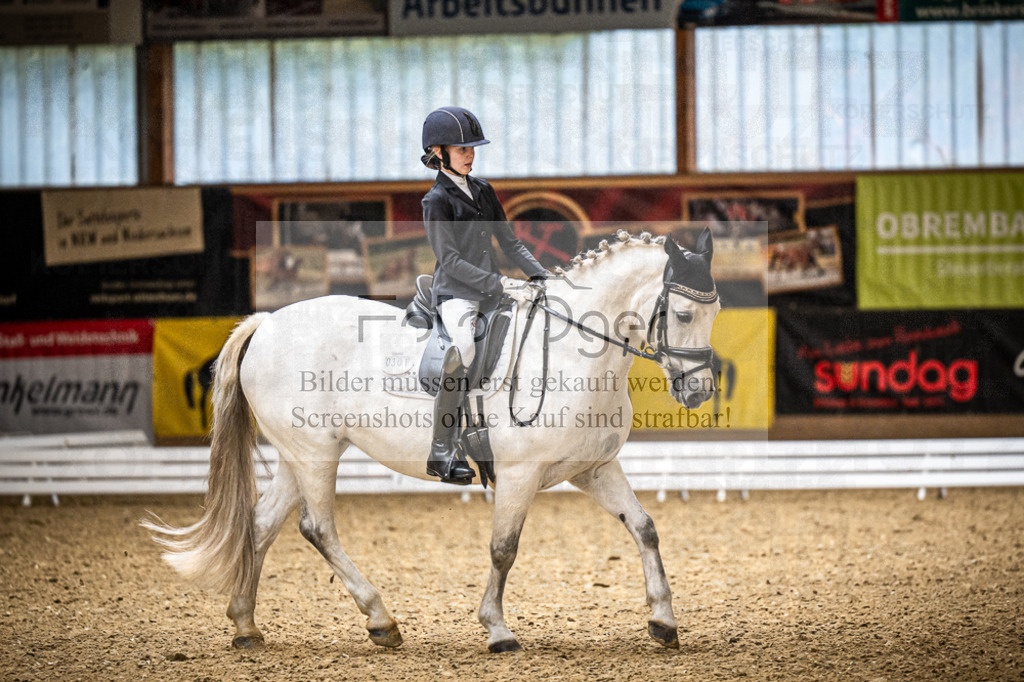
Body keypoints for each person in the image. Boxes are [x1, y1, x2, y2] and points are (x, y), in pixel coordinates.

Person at [420, 105, 550, 484]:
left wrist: (541, 275)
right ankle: (442, 449)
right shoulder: (436, 201)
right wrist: (502, 284)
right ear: (439, 153)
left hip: (492, 291)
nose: (471, 154)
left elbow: (510, 242)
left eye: (472, 148)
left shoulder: (483, 190)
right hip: (456, 293)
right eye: (463, 149)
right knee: (465, 348)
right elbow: (450, 260)